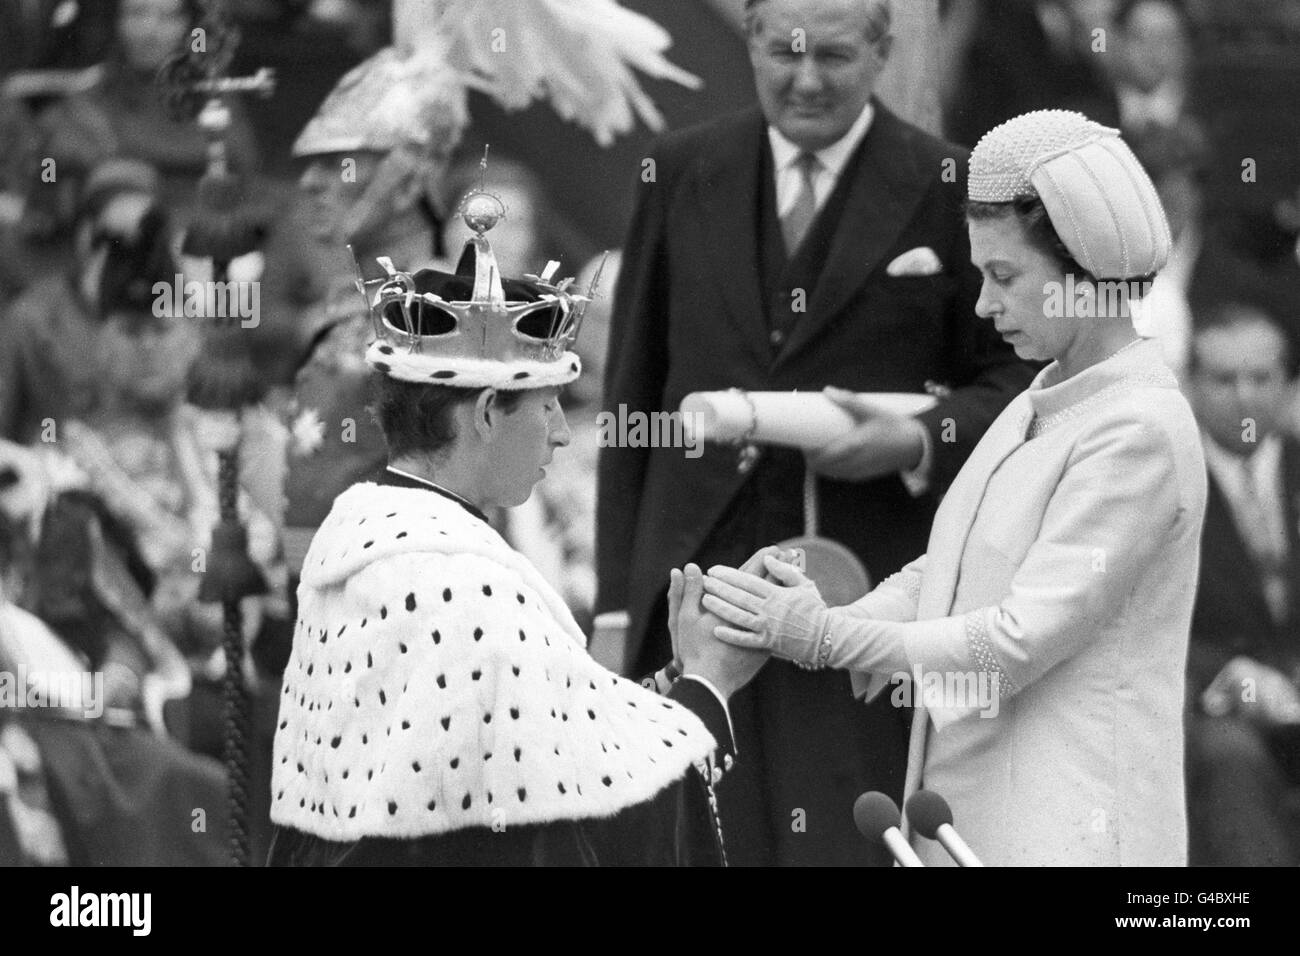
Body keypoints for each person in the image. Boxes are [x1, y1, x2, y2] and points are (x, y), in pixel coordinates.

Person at [704, 109, 1206, 866]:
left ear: (1089, 270)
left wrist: (825, 636)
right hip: (974, 814)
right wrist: (820, 615)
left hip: (1077, 827)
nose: (982, 305)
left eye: (1004, 277)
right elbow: (952, 569)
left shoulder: (1135, 427)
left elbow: (1015, 640)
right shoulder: (1043, 395)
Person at [596, 0, 1035, 866]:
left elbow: (1018, 384)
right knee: (689, 833)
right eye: (782, 53)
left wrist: (917, 441)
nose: (805, 79)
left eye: (834, 55)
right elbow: (633, 393)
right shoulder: (681, 169)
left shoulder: (951, 184)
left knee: (843, 838)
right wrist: (617, 604)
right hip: (696, 590)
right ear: (751, 43)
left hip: (862, 602)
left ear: (883, 52)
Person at [268, 199, 768, 866]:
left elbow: (544, 742)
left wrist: (676, 672)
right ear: (484, 414)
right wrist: (709, 686)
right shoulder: (462, 579)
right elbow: (590, 806)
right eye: (549, 405)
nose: (563, 431)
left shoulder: (360, 536)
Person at [1183, 302, 1300, 866]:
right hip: (1219, 703)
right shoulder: (1166, 488)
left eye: (1261, 378)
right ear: (1190, 386)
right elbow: (1141, 623)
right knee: (1229, 755)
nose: (1246, 397)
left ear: (1289, 382)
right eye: (1225, 380)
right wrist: (1230, 676)